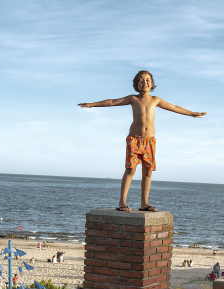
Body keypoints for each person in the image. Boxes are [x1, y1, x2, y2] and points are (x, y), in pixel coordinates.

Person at [79, 70, 206, 212]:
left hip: (149, 141)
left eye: (147, 80)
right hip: (134, 139)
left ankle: (144, 203)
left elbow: (174, 107)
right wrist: (91, 104)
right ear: (136, 83)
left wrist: (192, 114)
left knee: (148, 172)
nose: (144, 83)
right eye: (141, 80)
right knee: (130, 170)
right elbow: (112, 102)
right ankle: (122, 202)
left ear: (152, 83)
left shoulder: (156, 100)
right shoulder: (133, 98)